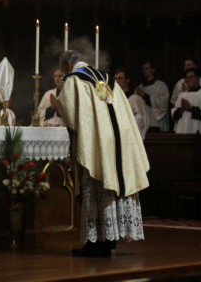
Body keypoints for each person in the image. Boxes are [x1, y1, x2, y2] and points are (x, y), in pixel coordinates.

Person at [57, 50, 149, 257]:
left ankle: (95, 242)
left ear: (69, 65)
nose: (64, 74)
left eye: (63, 70)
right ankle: (107, 240)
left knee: (97, 184)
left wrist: (59, 105)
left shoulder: (74, 79)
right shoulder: (107, 79)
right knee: (111, 187)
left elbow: (71, 116)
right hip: (118, 140)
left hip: (96, 141)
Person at [171, 68, 201, 134]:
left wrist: (190, 108)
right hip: (182, 131)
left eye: (191, 77)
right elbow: (174, 115)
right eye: (186, 78)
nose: (188, 80)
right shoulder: (181, 95)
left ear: (198, 78)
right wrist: (181, 109)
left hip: (199, 131)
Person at [114, 68, 149, 140]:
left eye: (120, 78)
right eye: (115, 78)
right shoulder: (112, 99)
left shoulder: (135, 99)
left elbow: (141, 121)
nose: (117, 81)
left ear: (127, 80)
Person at [135, 61, 170, 131]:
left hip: (156, 121)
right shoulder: (139, 88)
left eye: (147, 68)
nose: (144, 71)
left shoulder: (161, 85)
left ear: (153, 69)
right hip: (143, 122)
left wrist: (144, 96)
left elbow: (163, 103)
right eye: (143, 69)